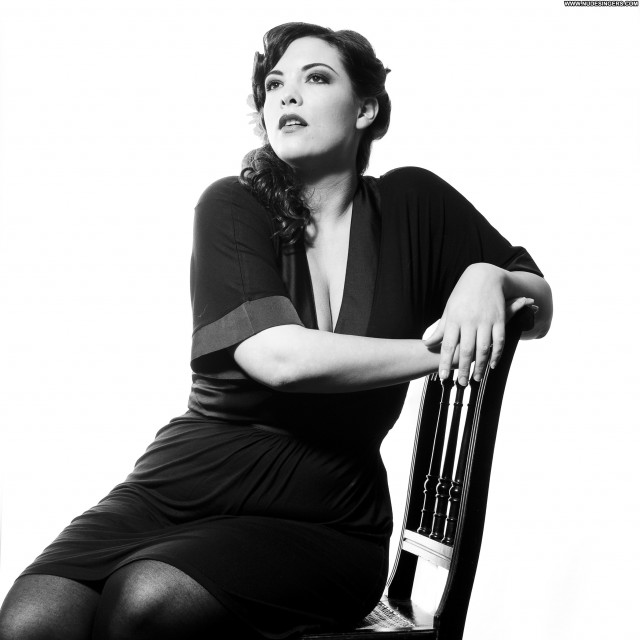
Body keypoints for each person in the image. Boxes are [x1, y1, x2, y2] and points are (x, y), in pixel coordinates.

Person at [0, 21, 552, 640]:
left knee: (146, 602)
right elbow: (278, 359)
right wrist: (444, 350)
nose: (287, 94)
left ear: (365, 109)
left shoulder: (413, 204)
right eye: (273, 85)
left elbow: (539, 305)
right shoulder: (231, 205)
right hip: (180, 486)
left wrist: (488, 276)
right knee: (29, 623)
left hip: (326, 514)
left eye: (315, 78)